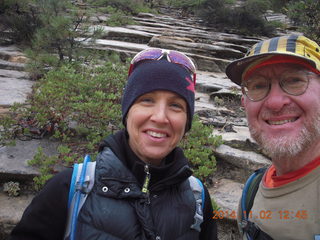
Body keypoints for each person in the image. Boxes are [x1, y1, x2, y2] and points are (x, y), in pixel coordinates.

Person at [9, 48, 218, 240]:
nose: (160, 117)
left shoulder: (198, 199)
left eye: (175, 105)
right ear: (127, 112)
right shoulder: (68, 190)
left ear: (187, 122)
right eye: (147, 100)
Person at [226, 34, 320, 240]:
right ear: (244, 102)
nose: (275, 102)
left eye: (295, 80)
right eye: (258, 86)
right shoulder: (252, 190)